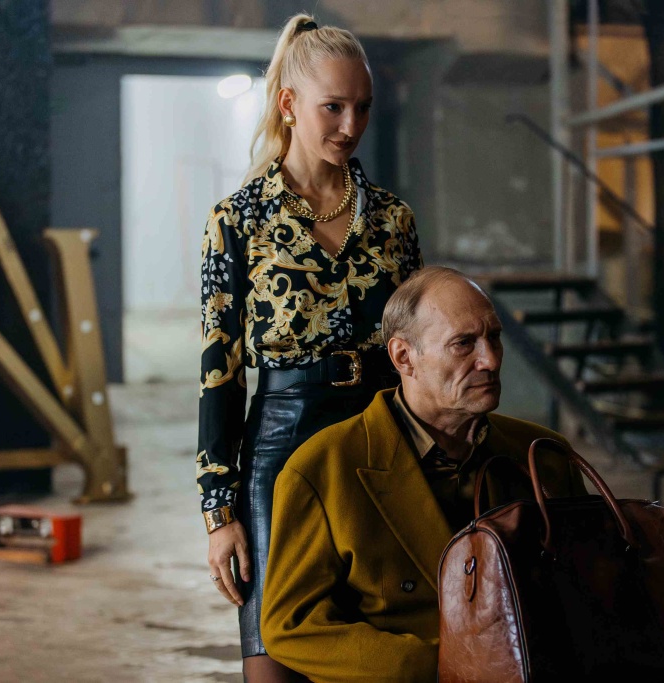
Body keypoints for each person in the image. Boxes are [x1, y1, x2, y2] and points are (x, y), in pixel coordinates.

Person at [260, 267, 664, 682]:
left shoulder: (544, 455)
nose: (489, 360)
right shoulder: (323, 468)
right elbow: (292, 627)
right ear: (404, 357)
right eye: (463, 344)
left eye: (494, 337)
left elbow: (592, 590)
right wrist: (450, 667)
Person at [196, 14, 422, 681]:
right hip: (281, 447)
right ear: (289, 103)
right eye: (334, 107)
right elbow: (219, 373)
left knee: (380, 656)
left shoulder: (393, 219)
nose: (351, 125)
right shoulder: (237, 220)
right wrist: (219, 511)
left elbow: (418, 351)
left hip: (382, 445)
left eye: (363, 107)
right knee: (271, 662)